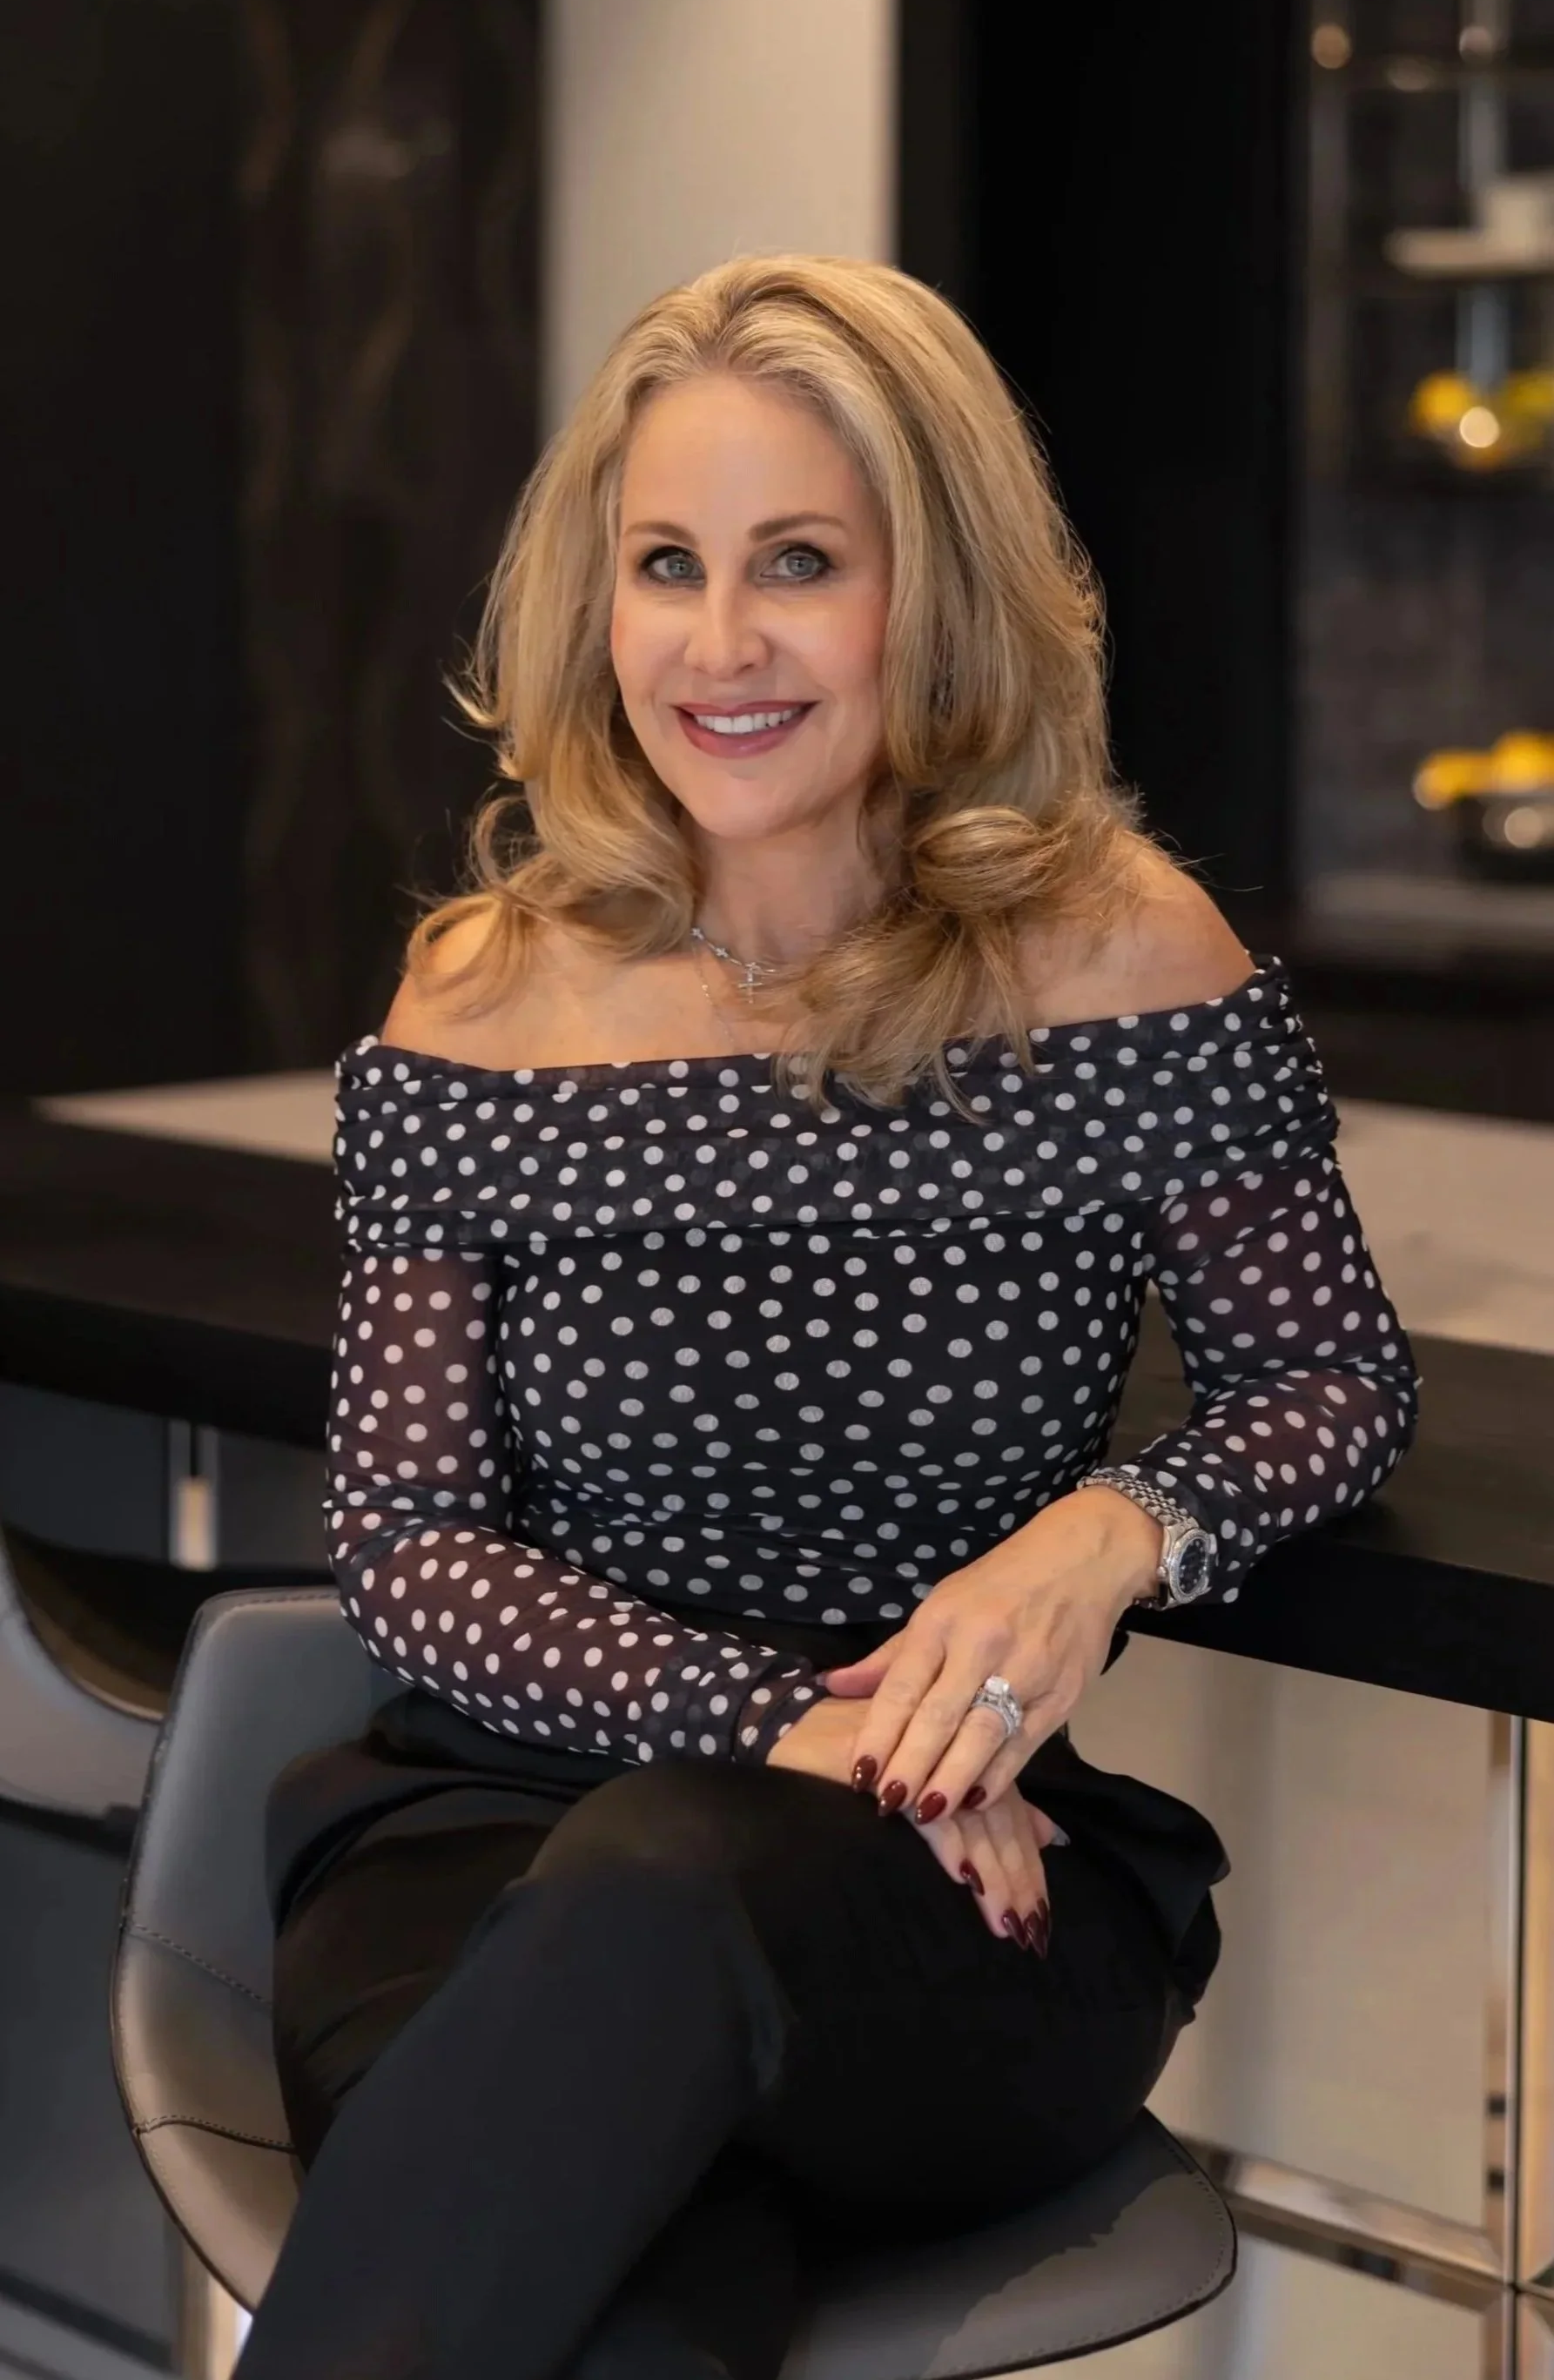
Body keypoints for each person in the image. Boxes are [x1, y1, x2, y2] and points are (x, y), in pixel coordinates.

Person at [242, 255, 1417, 2380]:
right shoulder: (483, 994)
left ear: (933, 592)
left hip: (946, 1908)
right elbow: (410, 1542)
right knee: (620, 2319)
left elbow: (1326, 1376)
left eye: (800, 562)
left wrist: (1105, 1535)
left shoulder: (1119, 958)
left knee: (684, 1893)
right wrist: (786, 1720)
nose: (719, 643)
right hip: (481, 1850)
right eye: (664, 567)